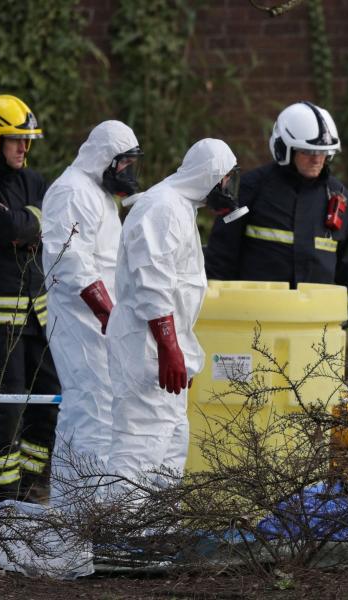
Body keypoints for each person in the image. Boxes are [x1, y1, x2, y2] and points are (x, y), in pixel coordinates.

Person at [101, 138, 239, 500]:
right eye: (226, 180)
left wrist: (181, 353)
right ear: (212, 177)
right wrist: (169, 348)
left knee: (169, 444)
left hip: (157, 347)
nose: (229, 189)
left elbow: (175, 288)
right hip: (144, 347)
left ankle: (154, 535)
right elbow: (153, 283)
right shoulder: (162, 209)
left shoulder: (178, 207)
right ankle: (119, 540)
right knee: (141, 444)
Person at [204, 101, 348, 357]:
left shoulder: (338, 198)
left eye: (323, 152)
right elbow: (221, 255)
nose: (317, 158)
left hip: (315, 329)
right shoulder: (251, 190)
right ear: (284, 149)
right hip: (255, 326)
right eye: (307, 151)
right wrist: (213, 314)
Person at [40, 120, 143, 508]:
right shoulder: (71, 191)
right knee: (88, 410)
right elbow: (70, 260)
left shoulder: (97, 193)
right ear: (105, 158)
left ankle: (88, 510)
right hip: (78, 321)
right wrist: (106, 310)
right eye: (124, 165)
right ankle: (78, 513)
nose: (127, 174)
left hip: (99, 323)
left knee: (99, 410)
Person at [0, 94, 60, 506]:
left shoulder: (34, 181)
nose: (24, 148)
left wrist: (25, 223)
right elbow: (9, 226)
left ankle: (31, 488)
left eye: (27, 140)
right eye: (14, 140)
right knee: (5, 408)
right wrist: (26, 223)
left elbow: (43, 221)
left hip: (35, 315)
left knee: (48, 399)